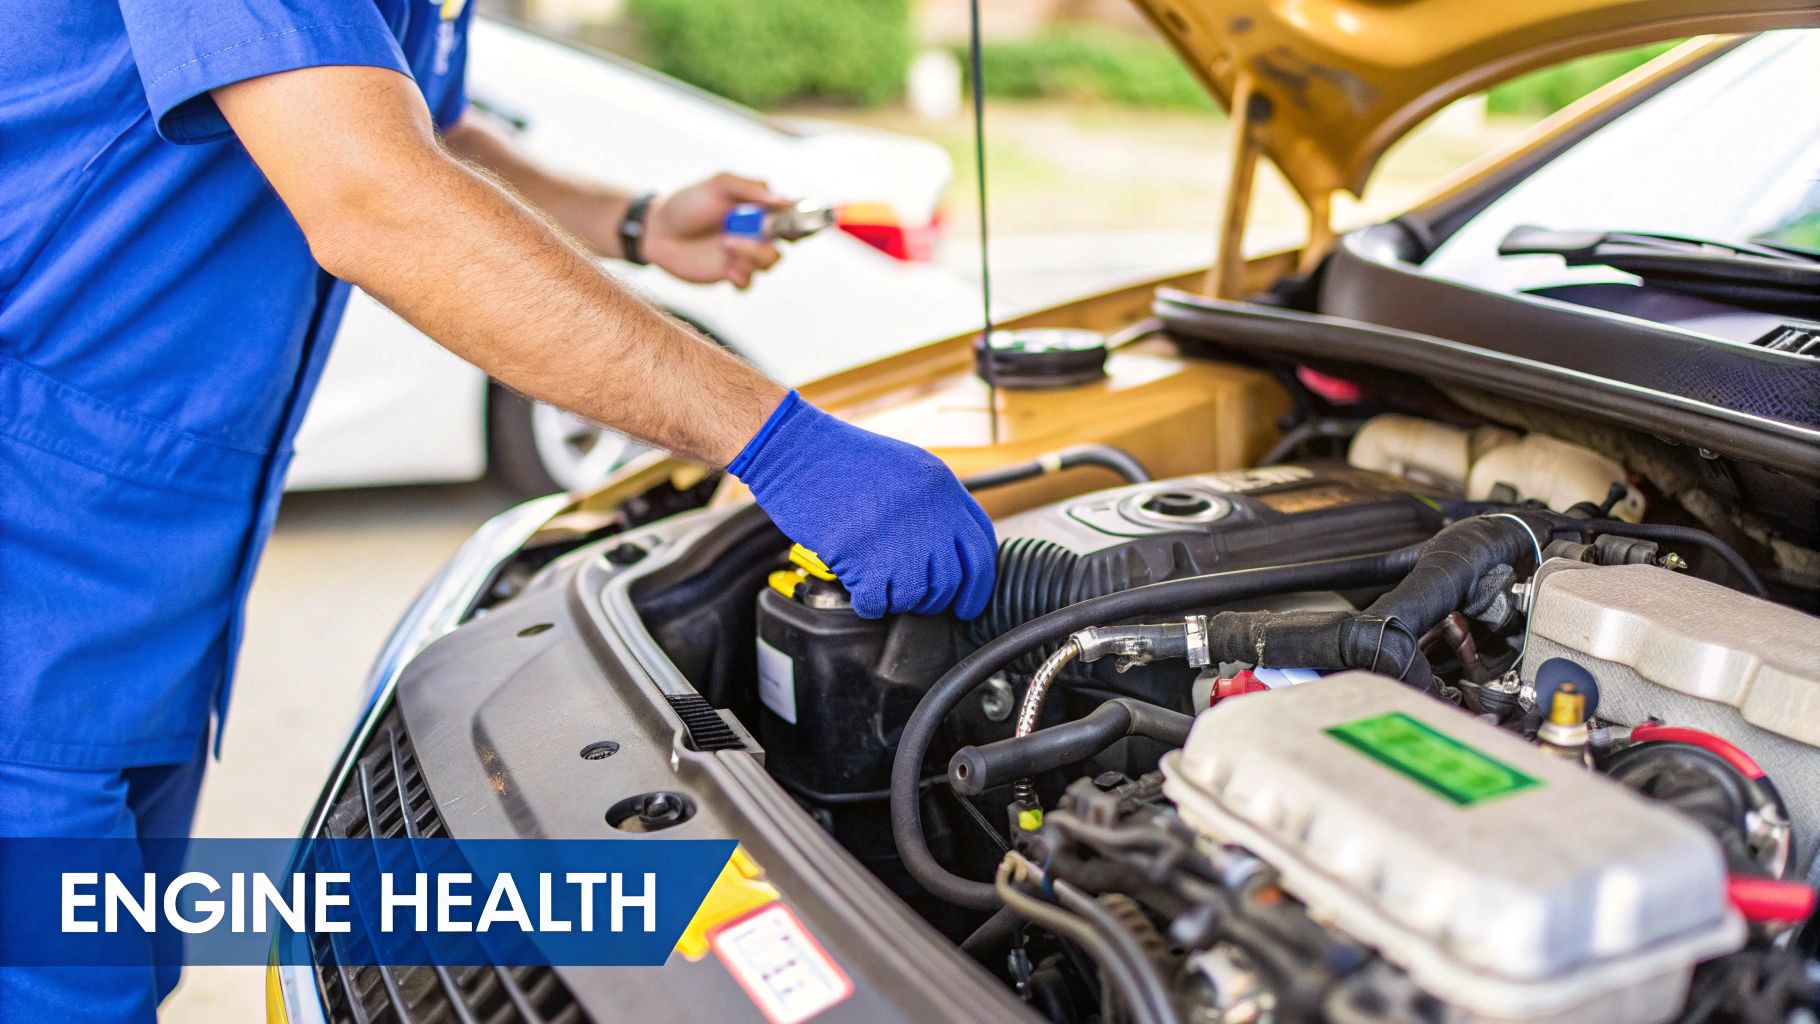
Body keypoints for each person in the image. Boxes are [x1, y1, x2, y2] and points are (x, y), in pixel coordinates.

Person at [0, 0, 996, 1016]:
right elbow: (369, 190)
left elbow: (406, 121)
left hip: (138, 588)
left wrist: (634, 220)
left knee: (119, 960)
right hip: (30, 560)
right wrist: (785, 446)